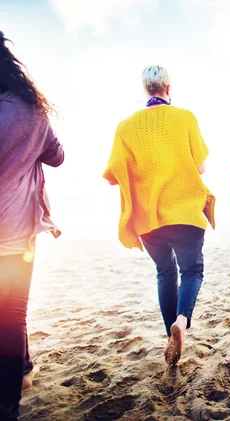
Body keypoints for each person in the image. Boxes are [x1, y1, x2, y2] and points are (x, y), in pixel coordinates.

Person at [103, 65, 215, 366]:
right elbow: (201, 167)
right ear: (168, 88)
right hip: (184, 211)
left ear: (146, 90)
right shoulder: (185, 117)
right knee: (192, 271)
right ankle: (182, 321)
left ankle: (170, 334)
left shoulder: (126, 127)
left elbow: (113, 175)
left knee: (165, 272)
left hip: (148, 218)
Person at [0, 31, 64, 420]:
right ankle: (9, 400)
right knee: (11, 311)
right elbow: (57, 156)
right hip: (15, 231)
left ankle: (22, 371)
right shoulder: (29, 110)